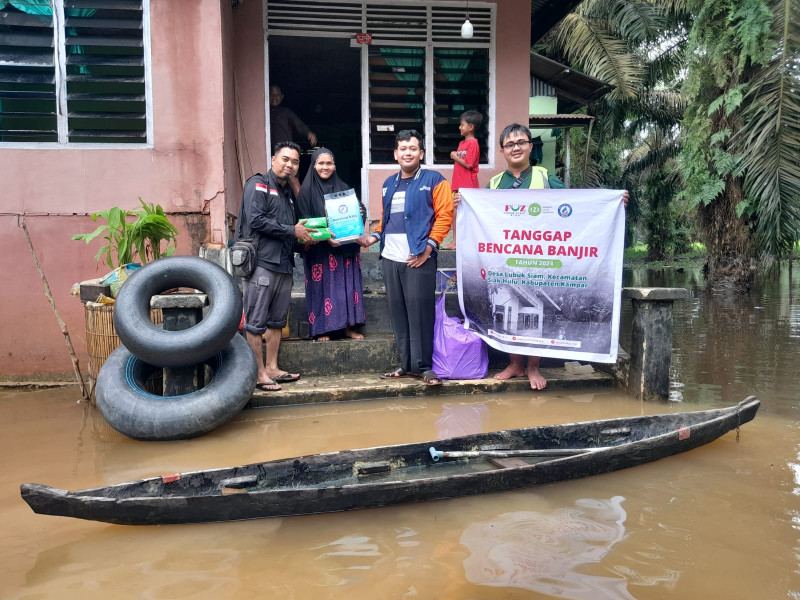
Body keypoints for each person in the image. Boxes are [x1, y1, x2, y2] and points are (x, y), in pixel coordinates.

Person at [455, 123, 628, 390]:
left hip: (539, 260)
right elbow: (482, 214)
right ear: (502, 151)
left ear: (530, 146)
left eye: (521, 142)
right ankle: (515, 364)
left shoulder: (545, 177)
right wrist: (463, 204)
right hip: (507, 260)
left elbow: (576, 205)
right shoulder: (495, 184)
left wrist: (612, 202)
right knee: (509, 312)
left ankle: (533, 366)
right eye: (510, 144)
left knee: (538, 311)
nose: (516, 148)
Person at [361, 130, 453, 386]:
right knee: (398, 313)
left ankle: (424, 367)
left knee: (420, 312)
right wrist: (373, 237)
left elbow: (445, 216)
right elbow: (385, 218)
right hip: (391, 258)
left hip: (419, 258)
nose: (407, 153)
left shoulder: (435, 180)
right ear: (396, 154)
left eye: (412, 148)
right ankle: (406, 365)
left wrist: (429, 247)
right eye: (403, 149)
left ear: (421, 153)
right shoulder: (389, 183)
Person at [239, 141, 314, 392]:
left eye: (294, 162)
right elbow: (257, 220)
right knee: (255, 320)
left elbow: (289, 231)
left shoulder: (288, 195)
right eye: (285, 159)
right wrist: (293, 230)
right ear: (273, 160)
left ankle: (272, 367)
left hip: (283, 264)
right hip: (260, 262)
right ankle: (258, 372)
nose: (289, 165)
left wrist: (303, 240)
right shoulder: (258, 184)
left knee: (276, 321)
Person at [296, 147, 367, 341]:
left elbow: (355, 216)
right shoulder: (306, 193)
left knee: (346, 289)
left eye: (329, 163)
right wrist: (326, 237)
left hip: (344, 250)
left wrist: (360, 212)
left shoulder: (344, 189)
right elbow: (304, 223)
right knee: (323, 290)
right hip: (320, 252)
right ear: (314, 165)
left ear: (335, 166)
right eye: (321, 163)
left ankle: (348, 327)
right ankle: (322, 329)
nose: (325, 167)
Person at [443, 110, 482, 250]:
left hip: (467, 186)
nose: (460, 127)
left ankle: (463, 242)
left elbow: (469, 164)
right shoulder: (461, 143)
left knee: (465, 215)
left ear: (470, 127)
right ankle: (456, 242)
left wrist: (454, 156)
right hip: (458, 185)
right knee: (455, 213)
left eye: (462, 125)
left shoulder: (473, 143)